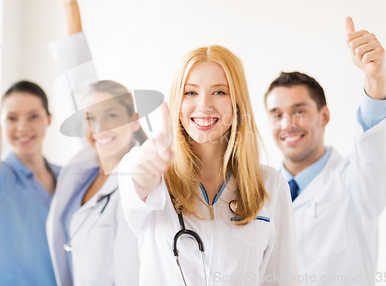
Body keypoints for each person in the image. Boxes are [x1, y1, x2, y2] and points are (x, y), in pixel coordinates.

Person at [118, 45, 299, 285]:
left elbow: (282, 279)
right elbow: (137, 174)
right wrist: (148, 164)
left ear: (237, 103)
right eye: (190, 92)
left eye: (219, 92)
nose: (204, 105)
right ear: (177, 102)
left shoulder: (271, 185)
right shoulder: (151, 174)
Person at [263, 17, 386, 285]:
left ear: (324, 116)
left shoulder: (356, 182)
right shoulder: (257, 191)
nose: (287, 124)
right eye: (276, 114)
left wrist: (375, 80)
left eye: (299, 111)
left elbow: (373, 148)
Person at [46, 0, 144, 286]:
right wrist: (70, 6)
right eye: (90, 117)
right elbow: (79, 82)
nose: (99, 127)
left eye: (112, 115)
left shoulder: (144, 180)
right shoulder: (87, 169)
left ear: (134, 119)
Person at [0, 24, 60, 285]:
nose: (22, 128)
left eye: (33, 116)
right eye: (11, 118)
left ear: (49, 120)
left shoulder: (66, 177)